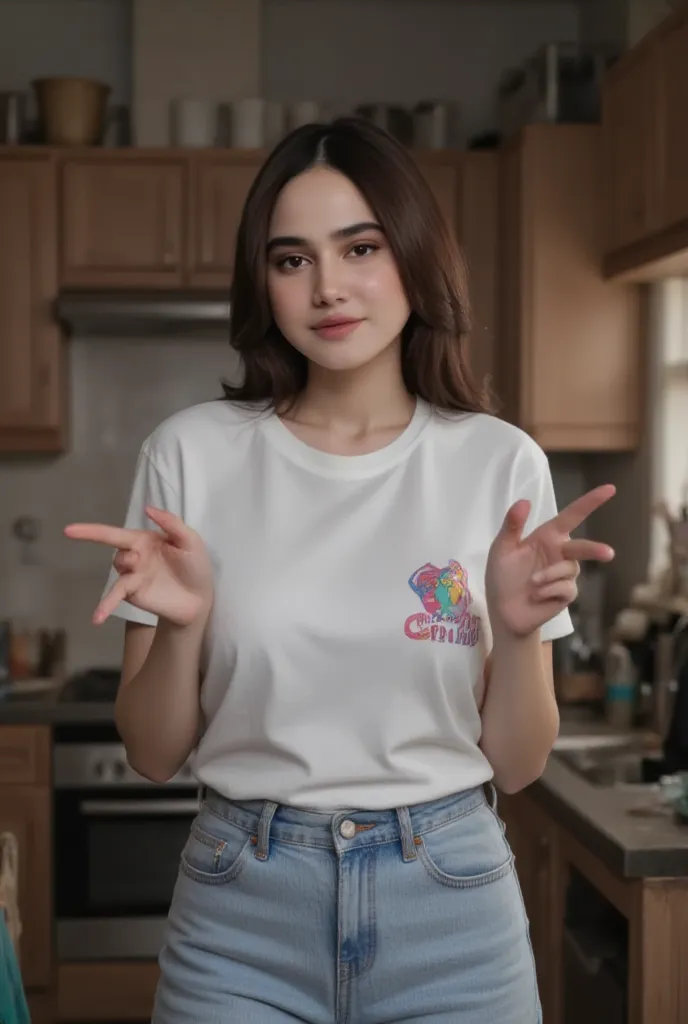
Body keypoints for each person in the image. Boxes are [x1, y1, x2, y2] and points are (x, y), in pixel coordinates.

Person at [65, 117, 615, 1023]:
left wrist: (517, 636)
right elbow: (154, 753)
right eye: (291, 260)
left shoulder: (497, 462)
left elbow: (516, 765)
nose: (329, 287)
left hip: (452, 909)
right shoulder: (192, 455)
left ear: (412, 254)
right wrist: (183, 623)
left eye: (360, 247)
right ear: (264, 282)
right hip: (241, 909)